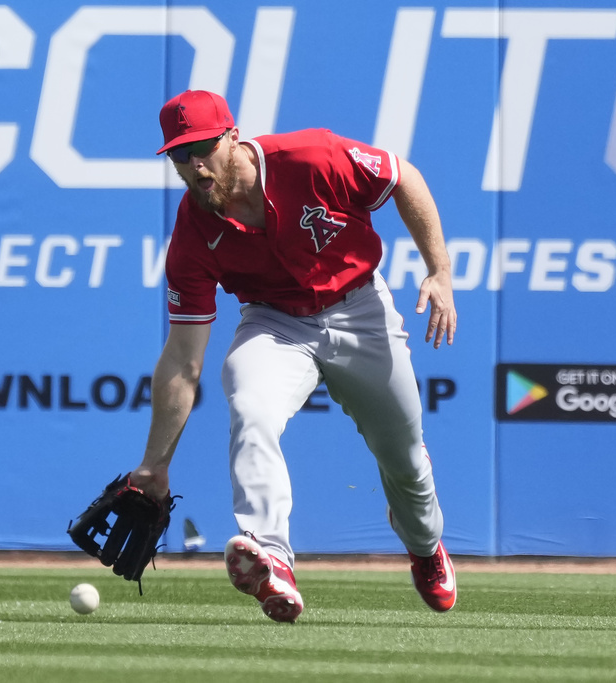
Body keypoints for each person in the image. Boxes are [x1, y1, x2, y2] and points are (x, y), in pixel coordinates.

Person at [130, 90, 458, 623]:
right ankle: (271, 556)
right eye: (179, 155)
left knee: (406, 460)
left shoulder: (311, 157)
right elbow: (183, 362)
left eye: (203, 147)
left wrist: (439, 271)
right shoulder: (192, 237)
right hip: (275, 321)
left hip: (360, 307)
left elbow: (403, 177)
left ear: (232, 138)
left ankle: (425, 548)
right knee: (249, 400)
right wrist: (155, 464)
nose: (193, 165)